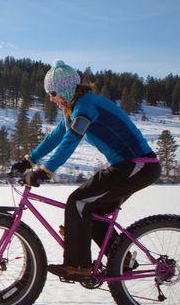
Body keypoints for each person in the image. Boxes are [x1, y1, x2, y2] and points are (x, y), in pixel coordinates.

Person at [12, 60, 161, 281]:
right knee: (91, 211)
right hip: (129, 166)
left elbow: (71, 140)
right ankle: (122, 260)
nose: (51, 98)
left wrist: (45, 171)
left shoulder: (85, 107)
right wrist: (28, 161)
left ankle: (78, 266)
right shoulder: (73, 108)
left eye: (52, 93)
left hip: (138, 165)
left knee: (78, 202)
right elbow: (55, 136)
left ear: (64, 90)